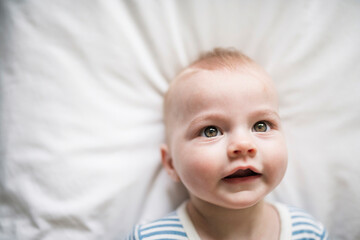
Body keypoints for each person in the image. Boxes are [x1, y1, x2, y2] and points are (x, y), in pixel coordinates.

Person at [127, 48, 329, 240]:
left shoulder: (309, 232)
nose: (243, 145)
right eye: (211, 131)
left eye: (261, 126)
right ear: (171, 164)